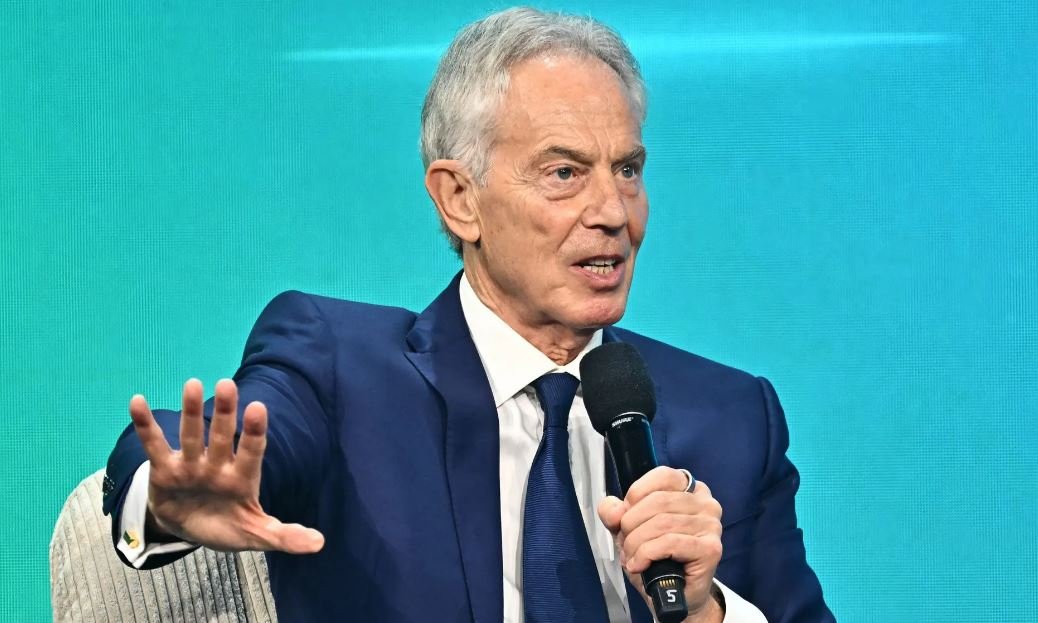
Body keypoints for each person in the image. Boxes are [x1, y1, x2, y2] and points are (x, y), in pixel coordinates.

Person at [103, 7, 835, 622]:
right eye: (565, 173)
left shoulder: (733, 417)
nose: (614, 212)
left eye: (627, 170)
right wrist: (168, 496)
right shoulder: (341, 367)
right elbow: (209, 447)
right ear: (460, 199)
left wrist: (707, 610)